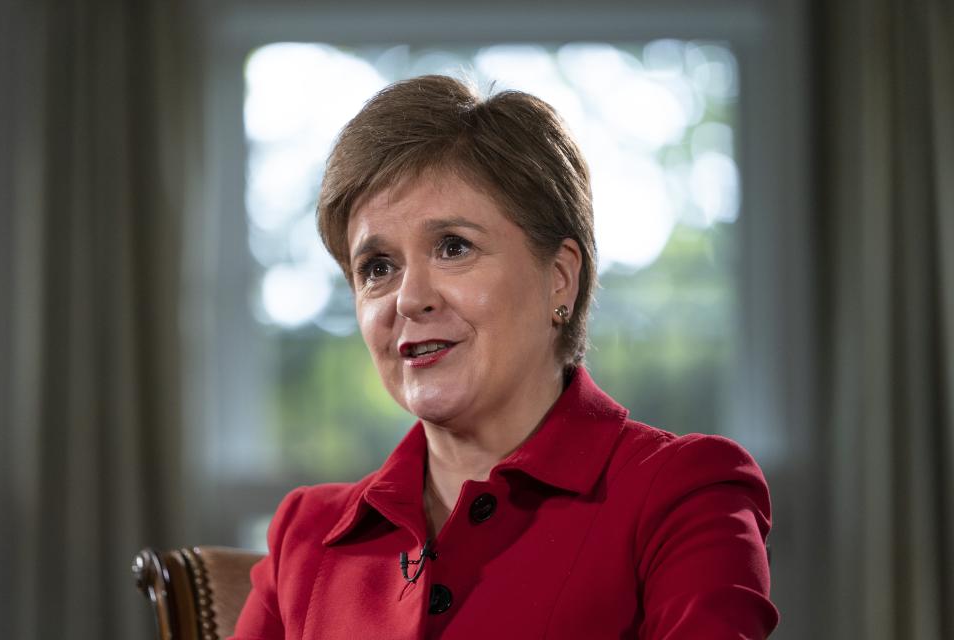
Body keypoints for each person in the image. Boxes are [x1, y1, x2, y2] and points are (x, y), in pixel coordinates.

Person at [231, 75, 778, 639]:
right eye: (378, 267)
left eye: (453, 248)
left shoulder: (684, 494)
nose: (410, 297)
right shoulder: (306, 533)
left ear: (560, 280)